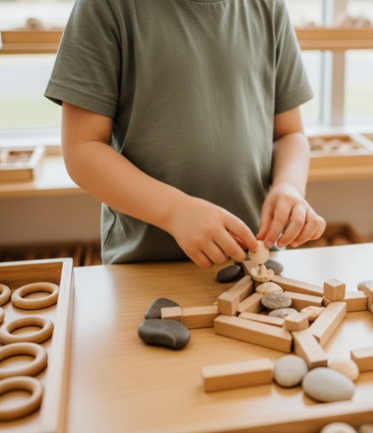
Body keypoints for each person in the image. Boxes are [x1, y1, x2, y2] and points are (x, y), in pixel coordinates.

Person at [45, 0, 326, 267]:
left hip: (255, 261)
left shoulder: (269, 6)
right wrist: (175, 211)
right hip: (146, 266)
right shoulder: (105, 7)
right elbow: (83, 149)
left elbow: (289, 134)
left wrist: (289, 186)